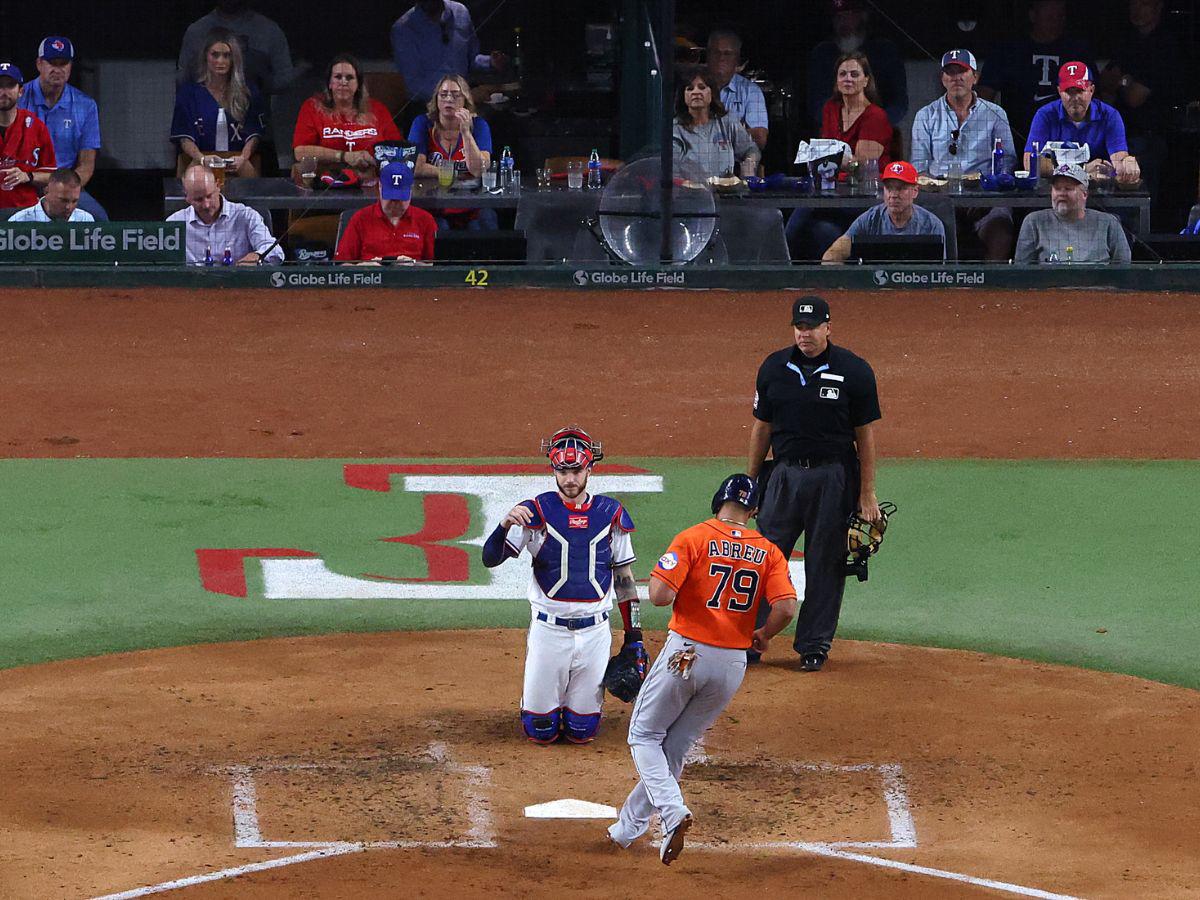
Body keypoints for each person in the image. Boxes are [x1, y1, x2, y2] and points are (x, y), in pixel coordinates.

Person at [606, 474, 797, 864]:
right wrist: (763, 633)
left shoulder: (693, 537)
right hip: (731, 664)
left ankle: (673, 811)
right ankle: (627, 830)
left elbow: (659, 596)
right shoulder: (770, 552)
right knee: (674, 745)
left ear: (717, 500)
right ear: (754, 511)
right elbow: (786, 608)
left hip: (686, 654)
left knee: (644, 735)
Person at [480, 426, 643, 745]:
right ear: (553, 469)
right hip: (548, 633)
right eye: (562, 470)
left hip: (595, 634)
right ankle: (535, 704)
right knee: (540, 731)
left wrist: (634, 636)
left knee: (583, 732)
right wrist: (504, 524)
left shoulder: (612, 514)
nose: (569, 478)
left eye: (576, 470)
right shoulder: (535, 511)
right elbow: (490, 558)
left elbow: (626, 582)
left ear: (589, 468)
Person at [747, 295, 882, 672]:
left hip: (833, 478)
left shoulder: (854, 370)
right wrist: (751, 482)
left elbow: (864, 437)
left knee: (826, 562)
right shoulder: (774, 368)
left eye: (812, 327)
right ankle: (751, 639)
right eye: (799, 327)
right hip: (784, 476)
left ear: (828, 327)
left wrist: (866, 492)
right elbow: (762, 428)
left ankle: (813, 645)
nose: (805, 334)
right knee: (763, 558)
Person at [786, 52, 894, 260]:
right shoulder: (831, 109)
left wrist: (829, 158)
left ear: (866, 80)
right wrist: (831, 158)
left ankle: (782, 263)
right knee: (821, 230)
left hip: (865, 196)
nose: (848, 79)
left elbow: (862, 167)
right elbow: (829, 154)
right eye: (842, 74)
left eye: (854, 74)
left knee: (804, 208)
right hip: (834, 192)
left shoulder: (876, 117)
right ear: (836, 80)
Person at [911, 49, 1016, 261]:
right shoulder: (925, 115)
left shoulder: (996, 113)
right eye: (950, 73)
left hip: (987, 196)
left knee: (1001, 231)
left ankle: (990, 290)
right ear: (942, 79)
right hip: (939, 197)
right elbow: (919, 169)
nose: (956, 78)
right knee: (934, 226)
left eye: (962, 72)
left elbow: (1007, 162)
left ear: (975, 77)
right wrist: (943, 198)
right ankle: (943, 289)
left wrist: (985, 196)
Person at [1100, 0, 1184, 208]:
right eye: (1133, 4)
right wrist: (1124, 82)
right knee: (1113, 200)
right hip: (1119, 135)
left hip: (1150, 138)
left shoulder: (1165, 44)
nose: (1136, 10)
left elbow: (1135, 97)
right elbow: (1102, 82)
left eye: (1144, 4)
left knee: (1139, 204)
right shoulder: (1127, 40)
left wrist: (1122, 81)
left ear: (1157, 7)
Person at [17, 36, 106, 220]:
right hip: (23, 183)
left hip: (65, 187)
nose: (57, 69)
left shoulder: (85, 106)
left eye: (63, 63)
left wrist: (64, 190)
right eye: (51, 63)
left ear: (70, 66)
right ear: (39, 64)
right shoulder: (18, 99)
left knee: (99, 218)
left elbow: (86, 165)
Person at [977, 0, 1095, 137]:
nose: (1055, 23)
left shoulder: (1077, 51)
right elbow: (984, 98)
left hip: (1068, 136)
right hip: (1017, 136)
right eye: (1050, 17)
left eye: (1060, 17)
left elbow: (1095, 96)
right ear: (1033, 16)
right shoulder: (1009, 50)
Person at [1024, 62, 1140, 185]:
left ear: (1091, 90)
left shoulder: (1110, 116)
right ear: (1059, 91)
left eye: (1080, 91)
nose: (1075, 98)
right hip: (1057, 190)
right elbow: (1029, 162)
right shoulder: (1045, 115)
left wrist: (1127, 164)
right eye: (1068, 91)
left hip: (1097, 193)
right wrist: (1082, 170)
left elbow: (1119, 158)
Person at [171, 30, 266, 177]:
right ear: (205, 57)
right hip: (202, 159)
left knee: (247, 172)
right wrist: (202, 158)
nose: (220, 61)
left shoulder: (248, 91)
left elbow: (254, 133)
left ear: (234, 59)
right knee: (197, 175)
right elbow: (184, 138)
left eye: (226, 56)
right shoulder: (189, 93)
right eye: (215, 55)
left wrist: (243, 157)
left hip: (238, 160)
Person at [408, 74, 496, 231]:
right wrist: (456, 173)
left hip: (471, 205)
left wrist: (466, 133)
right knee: (439, 227)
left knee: (486, 221)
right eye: (443, 94)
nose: (449, 99)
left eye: (456, 95)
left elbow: (478, 169)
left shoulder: (479, 125)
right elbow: (416, 167)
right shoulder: (422, 123)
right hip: (433, 205)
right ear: (436, 99)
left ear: (465, 101)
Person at [293, 54, 403, 180]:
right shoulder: (312, 107)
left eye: (349, 77)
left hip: (372, 180)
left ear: (358, 85)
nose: (343, 82)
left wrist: (373, 161)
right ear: (330, 83)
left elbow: (397, 151)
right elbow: (300, 152)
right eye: (338, 77)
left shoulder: (378, 109)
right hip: (326, 182)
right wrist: (343, 156)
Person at [807, 0, 908, 128]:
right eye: (838, 17)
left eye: (848, 15)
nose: (842, 22)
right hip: (835, 135)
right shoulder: (823, 54)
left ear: (862, 16)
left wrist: (875, 121)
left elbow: (899, 103)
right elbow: (816, 103)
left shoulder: (884, 51)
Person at [822, 161, 945, 262]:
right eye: (889, 188)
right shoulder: (869, 219)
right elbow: (832, 255)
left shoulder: (932, 224)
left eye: (900, 188)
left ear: (915, 191)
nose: (893, 195)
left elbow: (942, 272)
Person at [391, 0, 508, 106]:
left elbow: (470, 58)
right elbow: (414, 85)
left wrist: (490, 62)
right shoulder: (403, 29)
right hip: (427, 107)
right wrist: (462, 96)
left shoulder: (461, 12)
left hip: (464, 103)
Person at [166, 165, 284, 265]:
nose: (206, 205)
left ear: (218, 185)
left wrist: (257, 256)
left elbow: (276, 251)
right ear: (186, 196)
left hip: (238, 285)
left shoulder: (247, 216)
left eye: (209, 196)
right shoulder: (174, 224)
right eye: (198, 199)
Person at [1014, 163, 1131, 263]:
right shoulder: (1034, 222)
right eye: (1057, 188)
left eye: (1068, 188)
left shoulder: (1108, 223)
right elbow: (1021, 273)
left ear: (1084, 194)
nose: (1061, 193)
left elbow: (1124, 272)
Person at [178, 0, 296, 96]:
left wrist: (257, 81)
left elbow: (285, 79)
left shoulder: (269, 30)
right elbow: (182, 80)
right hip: (206, 118)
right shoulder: (197, 31)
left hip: (254, 119)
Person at [335, 161, 437, 263]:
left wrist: (413, 266)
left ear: (411, 191)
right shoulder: (360, 219)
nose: (395, 203)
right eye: (390, 197)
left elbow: (437, 267)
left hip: (412, 277)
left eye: (400, 198)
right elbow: (340, 266)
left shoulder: (425, 220)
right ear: (380, 187)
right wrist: (365, 268)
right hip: (372, 277)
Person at [671, 67, 760, 180]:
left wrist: (750, 162)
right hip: (690, 194)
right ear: (683, 96)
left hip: (726, 193)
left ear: (712, 92)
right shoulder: (675, 129)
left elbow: (751, 149)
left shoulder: (727, 121)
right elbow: (673, 173)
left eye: (702, 88)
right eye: (690, 89)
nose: (696, 92)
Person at [0, 63, 57, 211]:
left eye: (10, 86)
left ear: (20, 91)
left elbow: (52, 176)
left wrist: (28, 176)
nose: (3, 91)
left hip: (26, 211)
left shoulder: (37, 127)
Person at [705, 28, 768, 150]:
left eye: (727, 53)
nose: (721, 58)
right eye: (716, 52)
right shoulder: (692, 87)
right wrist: (739, 131)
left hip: (737, 164)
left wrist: (708, 135)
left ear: (737, 59)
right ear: (707, 55)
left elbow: (760, 138)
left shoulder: (751, 91)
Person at [8, 167, 93, 222]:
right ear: (46, 192)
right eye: (63, 200)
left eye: (74, 201)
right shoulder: (19, 221)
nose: (69, 207)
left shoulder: (85, 220)